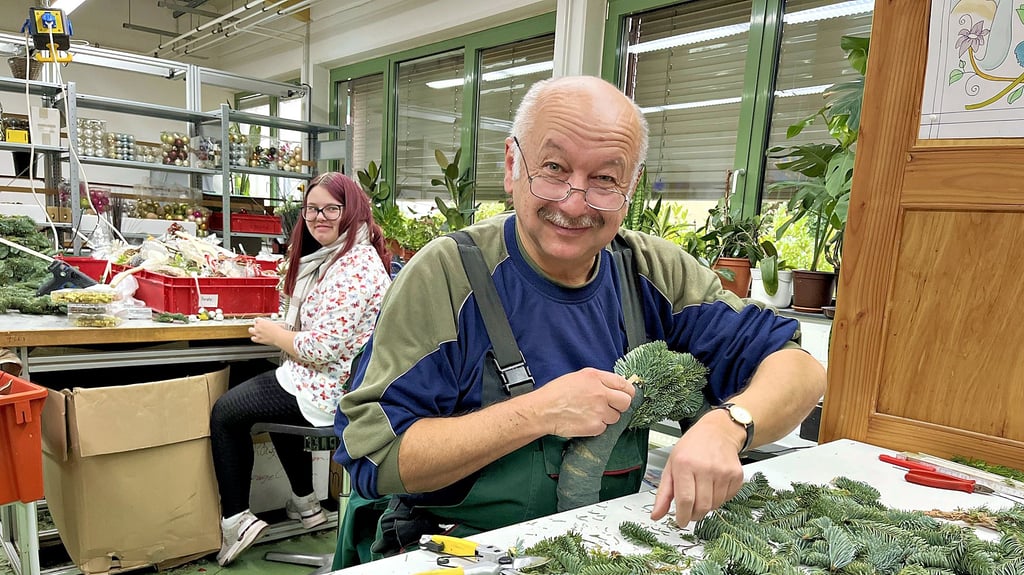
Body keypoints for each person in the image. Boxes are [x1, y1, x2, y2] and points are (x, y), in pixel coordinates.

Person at [334, 76, 825, 563]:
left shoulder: (652, 273)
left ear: (631, 188)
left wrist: (728, 426)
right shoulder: (448, 275)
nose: (574, 203)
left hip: (601, 549)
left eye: (605, 179)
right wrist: (538, 412)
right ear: (512, 165)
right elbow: (376, 454)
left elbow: (799, 369)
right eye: (554, 168)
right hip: (457, 552)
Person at [210, 172, 391, 567]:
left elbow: (322, 347)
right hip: (327, 379)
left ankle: (235, 520)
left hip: (333, 389)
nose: (319, 217)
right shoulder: (338, 256)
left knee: (226, 412)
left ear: (352, 211)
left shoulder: (354, 269)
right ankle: (306, 504)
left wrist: (276, 335)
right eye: (311, 209)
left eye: (331, 209)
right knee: (258, 389)